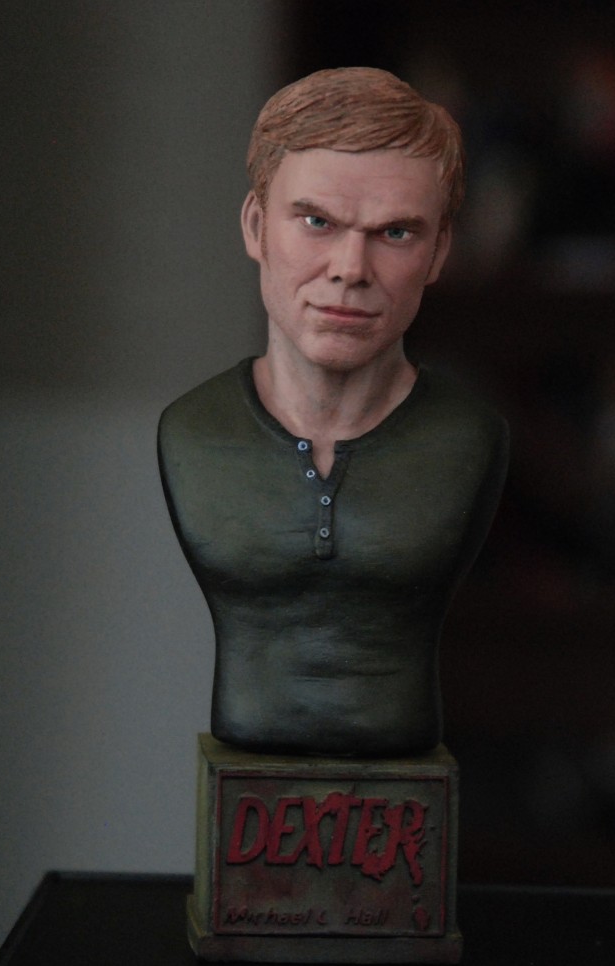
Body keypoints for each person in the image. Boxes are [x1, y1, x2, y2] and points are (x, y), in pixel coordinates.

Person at [158, 67, 508, 757]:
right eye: (317, 222)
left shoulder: (470, 438)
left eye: (395, 233)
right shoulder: (192, 431)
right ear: (256, 226)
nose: (350, 267)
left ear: (438, 251)